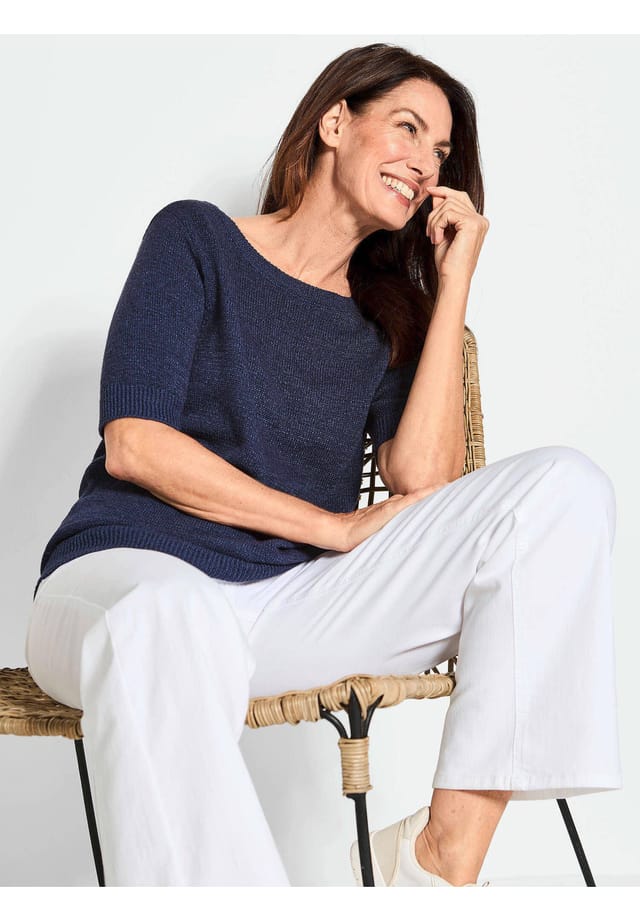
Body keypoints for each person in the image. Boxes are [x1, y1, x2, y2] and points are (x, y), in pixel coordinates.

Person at [24, 42, 622, 887]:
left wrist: (451, 284)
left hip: (284, 605)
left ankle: (438, 859)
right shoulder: (195, 239)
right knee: (169, 615)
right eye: (407, 128)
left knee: (564, 490)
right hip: (125, 580)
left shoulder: (388, 316)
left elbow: (424, 488)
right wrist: (329, 526)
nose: (425, 162)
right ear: (335, 122)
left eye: (441, 152)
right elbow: (136, 443)